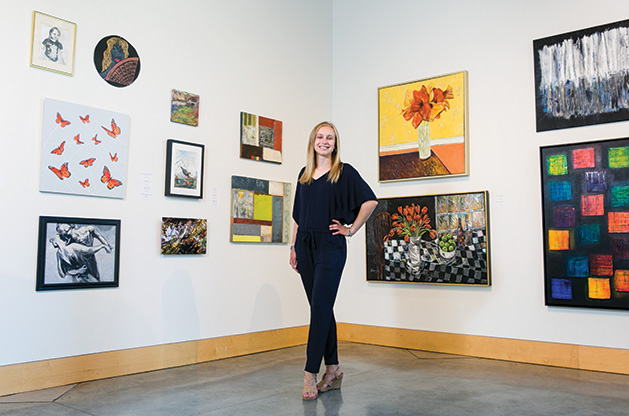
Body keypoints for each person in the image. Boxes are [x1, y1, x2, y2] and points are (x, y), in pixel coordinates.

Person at [289, 121, 378, 400]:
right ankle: (334, 369)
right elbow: (296, 216)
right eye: (320, 136)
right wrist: (292, 246)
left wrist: (350, 229)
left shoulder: (344, 172)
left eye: (330, 137)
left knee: (319, 309)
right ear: (312, 141)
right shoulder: (304, 175)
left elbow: (370, 202)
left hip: (330, 247)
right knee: (322, 308)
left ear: (335, 143)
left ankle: (309, 374)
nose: (324, 141)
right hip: (304, 246)